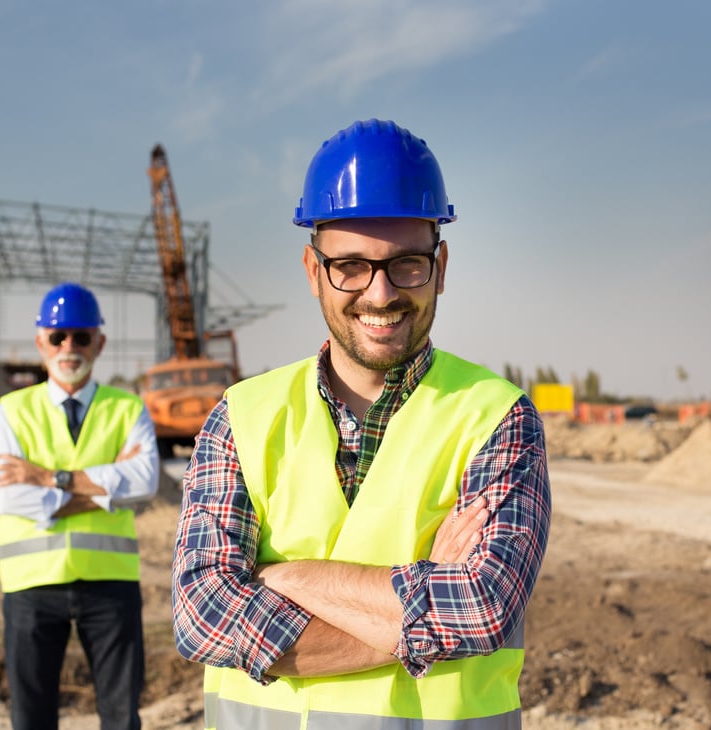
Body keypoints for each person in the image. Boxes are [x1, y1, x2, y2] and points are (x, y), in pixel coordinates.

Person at [172, 119, 552, 728]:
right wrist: (423, 605)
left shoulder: (495, 417)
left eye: (406, 264)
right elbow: (200, 617)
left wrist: (280, 577)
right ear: (312, 269)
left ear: (441, 265)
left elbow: (481, 609)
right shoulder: (241, 416)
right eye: (349, 265)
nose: (379, 294)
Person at [0, 281, 160, 730]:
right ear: (40, 341)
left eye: (81, 336)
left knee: (122, 717)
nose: (69, 346)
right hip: (31, 586)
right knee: (31, 718)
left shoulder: (128, 407)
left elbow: (145, 481)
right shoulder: (10, 410)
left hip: (111, 584)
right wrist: (104, 492)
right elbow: (10, 497)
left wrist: (49, 479)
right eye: (58, 336)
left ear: (99, 342)